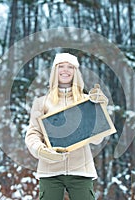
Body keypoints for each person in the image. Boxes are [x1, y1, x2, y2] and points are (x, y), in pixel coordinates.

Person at [25, 53, 108, 200]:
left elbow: (96, 140)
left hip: (81, 171)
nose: (65, 70)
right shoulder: (41, 102)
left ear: (76, 72)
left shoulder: (87, 101)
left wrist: (101, 110)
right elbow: (33, 134)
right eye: (61, 66)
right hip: (49, 171)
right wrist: (41, 151)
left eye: (70, 67)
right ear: (54, 71)